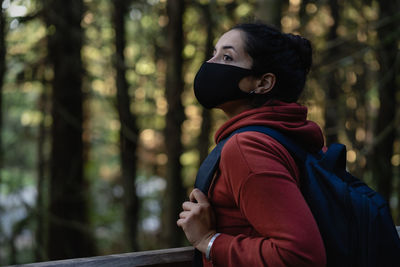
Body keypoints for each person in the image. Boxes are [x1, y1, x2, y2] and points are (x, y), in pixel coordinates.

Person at [177, 23, 326, 267]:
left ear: (262, 83)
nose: (210, 64)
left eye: (226, 57)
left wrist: (208, 240)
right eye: (213, 53)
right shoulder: (290, 137)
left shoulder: (247, 147)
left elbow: (300, 256)